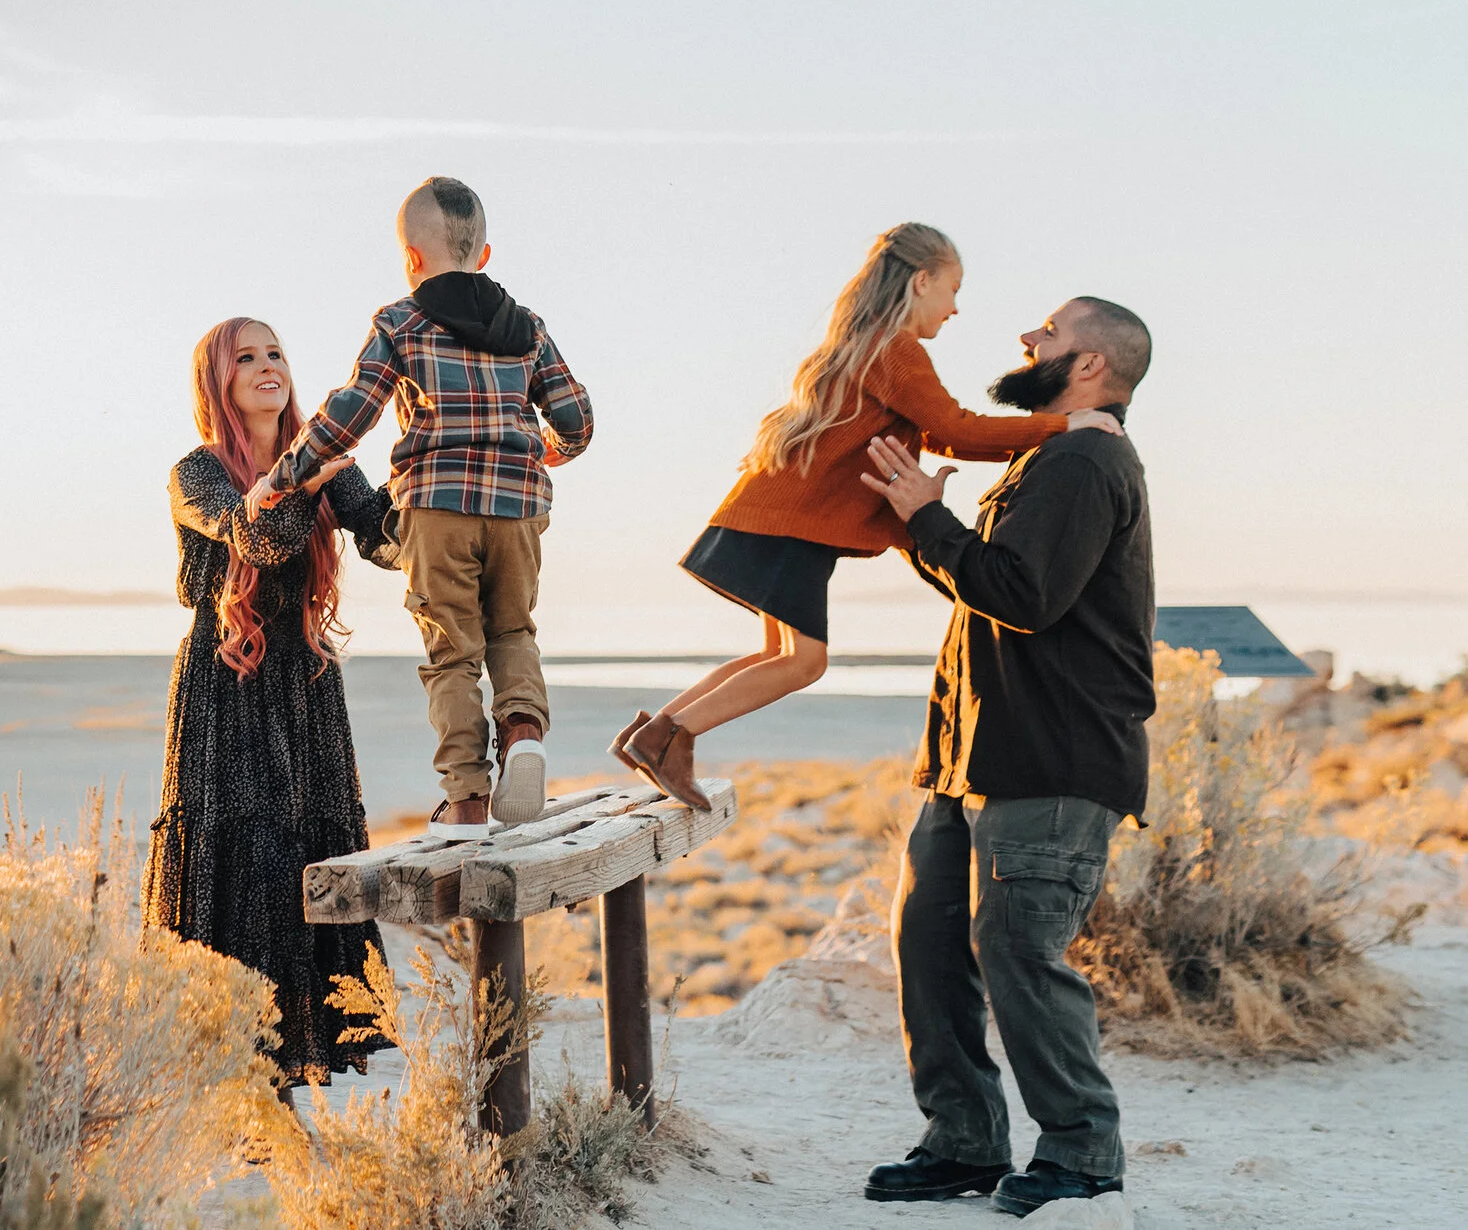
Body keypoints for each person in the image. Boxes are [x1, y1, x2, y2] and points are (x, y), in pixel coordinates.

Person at [613, 224, 1119, 810]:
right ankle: (666, 740)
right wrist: (1063, 426)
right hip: (789, 527)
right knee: (804, 663)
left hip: (778, 522)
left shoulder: (866, 344)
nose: (956, 308)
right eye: (952, 290)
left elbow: (939, 436)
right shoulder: (895, 348)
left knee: (779, 658)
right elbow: (955, 428)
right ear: (921, 280)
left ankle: (656, 735)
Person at [855, 296, 1156, 1217]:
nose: (1030, 336)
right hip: (973, 760)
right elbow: (988, 588)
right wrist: (923, 522)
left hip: (1052, 762)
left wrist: (925, 517)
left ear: (1094, 365)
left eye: (1053, 332)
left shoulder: (1082, 457)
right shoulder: (1046, 458)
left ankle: (1080, 1153)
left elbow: (1022, 594)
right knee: (933, 947)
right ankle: (963, 1142)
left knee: (1019, 949)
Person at [254, 176, 593, 838]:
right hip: (519, 505)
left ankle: (467, 801)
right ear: (484, 253)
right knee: (513, 630)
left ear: (411, 257)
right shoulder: (528, 328)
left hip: (437, 506)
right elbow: (576, 416)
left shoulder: (401, 320)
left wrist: (287, 471)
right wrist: (549, 448)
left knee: (452, 652)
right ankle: (522, 732)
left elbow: (351, 411)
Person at [145, 316, 399, 1086]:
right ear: (216, 385)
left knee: (307, 858)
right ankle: (234, 1063)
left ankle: (297, 1061)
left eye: (276, 353)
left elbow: (387, 542)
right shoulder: (196, 472)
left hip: (306, 685)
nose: (267, 366)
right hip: (226, 688)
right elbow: (260, 539)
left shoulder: (321, 458)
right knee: (246, 859)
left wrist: (421, 487)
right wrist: (309, 477)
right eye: (245, 358)